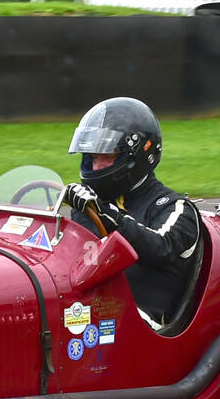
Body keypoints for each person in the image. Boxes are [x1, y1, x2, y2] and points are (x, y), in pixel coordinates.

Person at [62, 97, 201, 331]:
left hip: (143, 329)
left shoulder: (176, 208)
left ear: (137, 155)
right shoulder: (89, 208)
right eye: (93, 158)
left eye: (106, 157)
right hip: (90, 317)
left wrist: (108, 215)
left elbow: (159, 247)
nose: (96, 167)